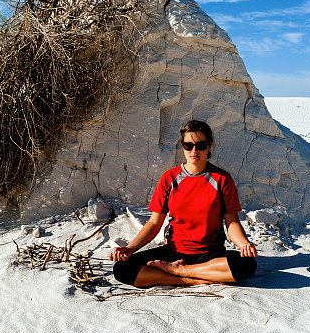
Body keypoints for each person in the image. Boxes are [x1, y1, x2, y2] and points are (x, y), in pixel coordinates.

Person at [110, 120, 257, 287]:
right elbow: (154, 222)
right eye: (189, 145)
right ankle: (190, 279)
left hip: (209, 255)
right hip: (174, 252)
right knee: (122, 269)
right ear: (183, 146)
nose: (194, 151)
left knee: (246, 265)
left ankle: (180, 271)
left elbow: (232, 222)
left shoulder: (222, 179)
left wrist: (244, 244)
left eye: (201, 145)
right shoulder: (169, 178)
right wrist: (130, 248)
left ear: (209, 146)